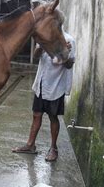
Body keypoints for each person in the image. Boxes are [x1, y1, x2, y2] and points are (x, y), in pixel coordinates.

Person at [12, 30, 75, 161]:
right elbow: (36, 57)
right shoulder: (44, 36)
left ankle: (53, 148)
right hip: (41, 82)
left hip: (56, 85)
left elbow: (69, 65)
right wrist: (40, 45)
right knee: (36, 114)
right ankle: (30, 145)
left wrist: (64, 53)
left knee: (53, 117)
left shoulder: (69, 40)